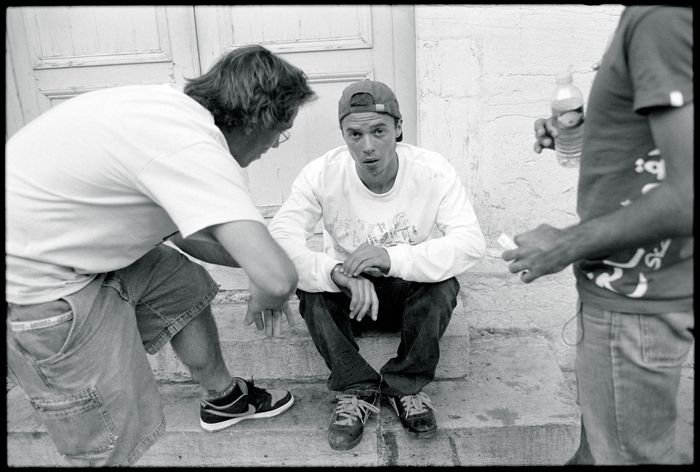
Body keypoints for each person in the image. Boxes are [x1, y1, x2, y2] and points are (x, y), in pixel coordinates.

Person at [6, 45, 316, 466]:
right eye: (281, 131)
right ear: (257, 120)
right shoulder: (192, 146)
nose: (275, 145)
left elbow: (187, 237)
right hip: (40, 291)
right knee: (108, 445)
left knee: (178, 282)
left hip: (63, 251)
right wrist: (267, 287)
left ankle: (223, 398)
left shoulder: (164, 112)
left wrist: (266, 264)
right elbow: (277, 279)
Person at [503, 6, 693, 465]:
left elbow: (688, 195)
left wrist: (565, 244)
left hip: (636, 299)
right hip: (635, 291)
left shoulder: (660, 17)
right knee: (596, 451)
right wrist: (602, 134)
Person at [266, 80, 486, 451]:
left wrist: (392, 258)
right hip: (350, 298)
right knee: (311, 288)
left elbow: (470, 243)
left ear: (398, 128)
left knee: (443, 284)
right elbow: (280, 240)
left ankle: (405, 386)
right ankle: (355, 388)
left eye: (379, 131)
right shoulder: (322, 173)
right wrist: (335, 273)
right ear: (343, 135)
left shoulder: (432, 170)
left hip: (404, 293)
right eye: (355, 134)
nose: (367, 146)